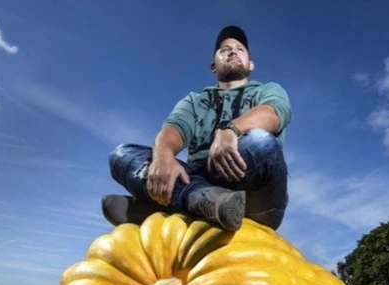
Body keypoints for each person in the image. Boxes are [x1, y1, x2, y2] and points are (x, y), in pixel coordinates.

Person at [103, 25, 292, 231]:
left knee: (261, 142)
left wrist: (230, 129)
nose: (232, 51)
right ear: (213, 66)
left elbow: (274, 114)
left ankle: (163, 209)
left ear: (251, 65)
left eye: (240, 48)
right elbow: (173, 129)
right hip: (201, 178)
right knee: (121, 155)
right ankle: (198, 199)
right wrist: (163, 156)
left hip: (254, 188)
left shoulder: (268, 90)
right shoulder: (195, 101)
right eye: (224, 49)